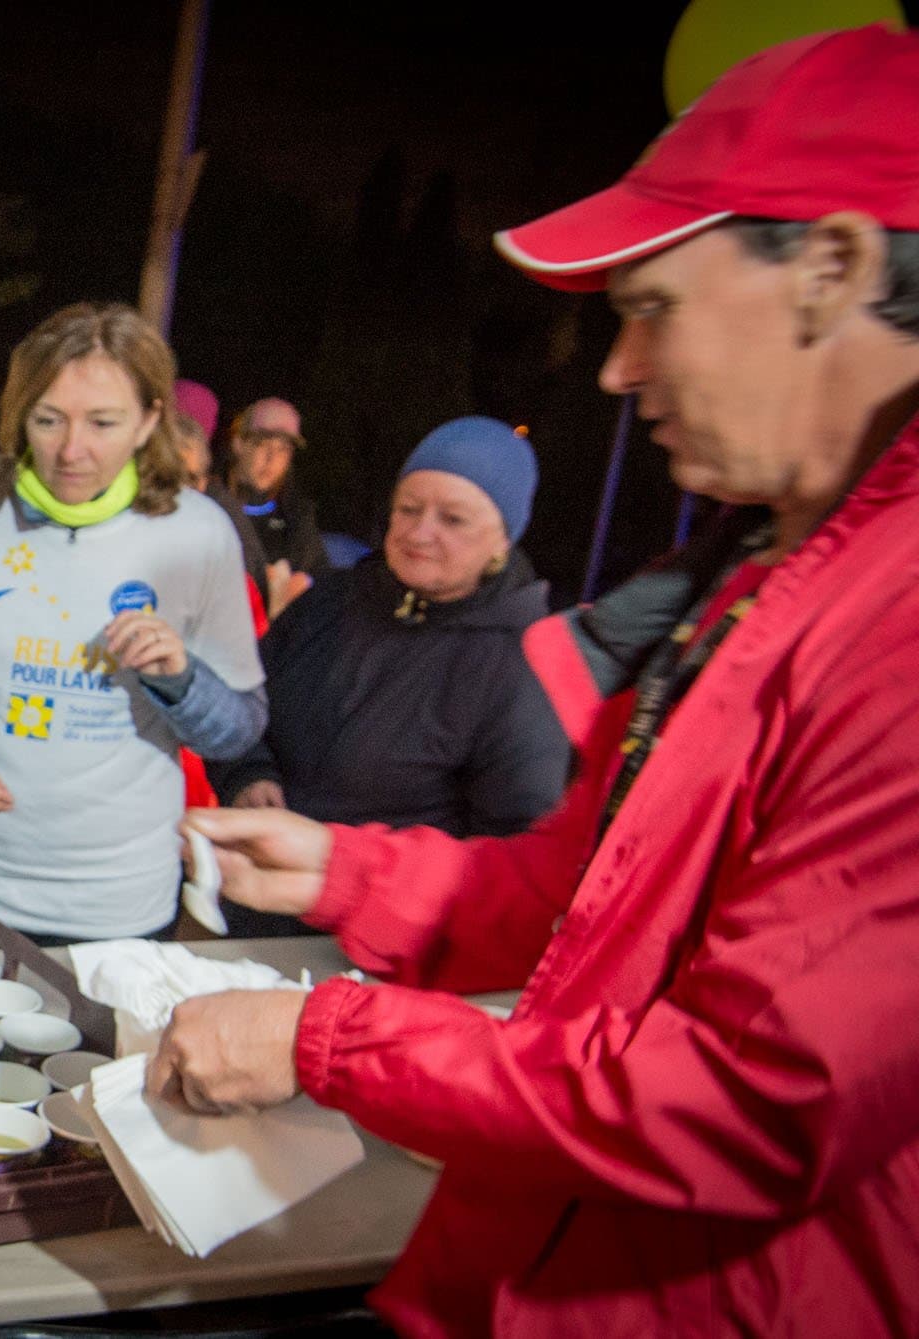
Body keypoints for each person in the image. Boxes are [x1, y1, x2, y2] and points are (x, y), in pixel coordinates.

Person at [153, 26, 919, 1335]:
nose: (619, 370)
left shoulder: (893, 621)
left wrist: (323, 1043)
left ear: (832, 267)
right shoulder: (750, 574)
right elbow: (582, 896)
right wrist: (348, 870)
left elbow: (754, 1094)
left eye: (653, 305)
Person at [0, 303, 265, 944]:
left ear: (149, 421)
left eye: (102, 423)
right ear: (20, 416)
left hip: (120, 908)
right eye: (48, 420)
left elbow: (238, 730)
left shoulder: (198, 536)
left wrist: (180, 678)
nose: (70, 450)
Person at [211, 416, 569, 915]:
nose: (420, 532)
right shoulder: (331, 603)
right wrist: (247, 776)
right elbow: (239, 709)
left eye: (453, 519)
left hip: (382, 937)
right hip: (255, 902)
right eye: (408, 509)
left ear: (502, 542)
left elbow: (512, 855)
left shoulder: (520, 662)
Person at [212, 396, 326, 616]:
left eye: (283, 449)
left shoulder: (296, 517)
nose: (271, 458)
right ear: (238, 444)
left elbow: (319, 580)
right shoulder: (210, 505)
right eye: (262, 444)